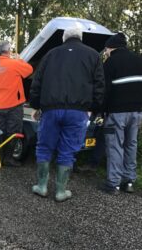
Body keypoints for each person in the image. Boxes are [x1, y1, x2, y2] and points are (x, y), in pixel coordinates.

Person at [29, 27, 105, 202]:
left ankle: (41, 187)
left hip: (50, 110)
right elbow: (99, 86)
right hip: (78, 112)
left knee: (44, 147)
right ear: (81, 37)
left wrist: (35, 105)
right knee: (68, 150)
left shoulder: (50, 54)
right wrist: (93, 107)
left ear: (64, 38)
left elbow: (37, 83)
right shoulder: (93, 55)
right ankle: (60, 191)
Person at [102, 32, 142, 194]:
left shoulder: (110, 63)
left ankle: (114, 184)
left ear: (111, 48)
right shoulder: (139, 60)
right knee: (131, 144)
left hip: (117, 112)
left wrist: (101, 111)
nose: (105, 53)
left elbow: (105, 91)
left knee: (115, 146)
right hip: (137, 112)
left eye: (106, 50)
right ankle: (129, 181)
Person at [0, 41, 33, 167]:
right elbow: (29, 70)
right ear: (8, 51)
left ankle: (0, 156)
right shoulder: (13, 63)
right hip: (13, 104)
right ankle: (8, 158)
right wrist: (19, 59)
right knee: (13, 132)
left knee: (2, 131)